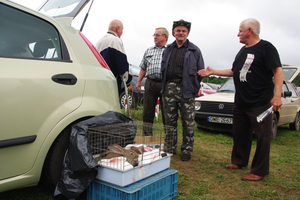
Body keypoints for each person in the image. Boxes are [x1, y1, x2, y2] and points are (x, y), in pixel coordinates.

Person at [198, 18, 283, 181]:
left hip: (260, 103)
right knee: (240, 133)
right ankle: (239, 161)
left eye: (240, 31)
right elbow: (233, 71)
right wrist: (212, 71)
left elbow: (277, 72)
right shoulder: (242, 51)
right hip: (241, 102)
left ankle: (258, 171)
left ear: (249, 30)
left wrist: (277, 95)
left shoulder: (266, 48)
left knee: (263, 137)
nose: (238, 34)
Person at [161, 19, 205, 161]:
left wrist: (193, 87)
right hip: (169, 88)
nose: (181, 33)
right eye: (178, 30)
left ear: (187, 33)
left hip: (187, 89)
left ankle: (187, 150)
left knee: (188, 121)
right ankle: (170, 148)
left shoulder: (194, 50)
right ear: (174, 33)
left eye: (183, 31)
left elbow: (200, 72)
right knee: (169, 121)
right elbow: (163, 69)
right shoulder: (168, 49)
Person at [136, 27, 169, 135]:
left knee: (166, 112)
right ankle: (147, 137)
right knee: (147, 111)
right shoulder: (149, 50)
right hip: (150, 83)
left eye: (157, 35)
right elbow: (143, 68)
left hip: (165, 83)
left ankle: (168, 139)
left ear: (165, 37)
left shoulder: (170, 50)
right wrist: (139, 81)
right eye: (154, 35)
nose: (155, 37)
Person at [95, 19, 132, 95]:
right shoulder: (115, 41)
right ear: (118, 29)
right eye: (122, 30)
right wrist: (128, 79)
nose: (122, 32)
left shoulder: (99, 42)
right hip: (111, 83)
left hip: (99, 82)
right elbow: (121, 65)